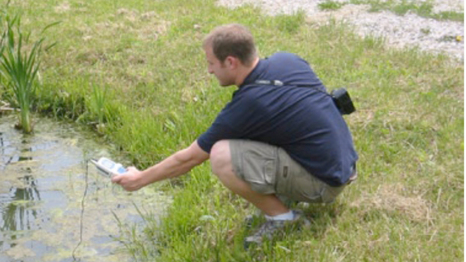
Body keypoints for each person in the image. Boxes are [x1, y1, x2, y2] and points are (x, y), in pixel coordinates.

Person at [112, 23, 358, 247]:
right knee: (249, 138)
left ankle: (283, 217)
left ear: (230, 62)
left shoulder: (249, 104)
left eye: (211, 63)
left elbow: (188, 158)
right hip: (343, 165)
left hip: (325, 184)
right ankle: (287, 195)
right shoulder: (288, 60)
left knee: (221, 155)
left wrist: (140, 179)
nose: (209, 71)